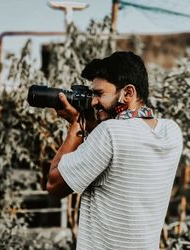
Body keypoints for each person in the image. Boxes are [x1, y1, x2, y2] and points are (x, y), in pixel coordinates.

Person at [47, 51, 183, 250]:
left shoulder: (110, 132)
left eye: (99, 94)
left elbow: (54, 184)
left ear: (128, 93)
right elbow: (123, 149)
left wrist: (76, 125)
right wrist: (94, 125)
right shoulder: (171, 132)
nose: (93, 102)